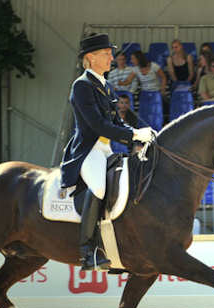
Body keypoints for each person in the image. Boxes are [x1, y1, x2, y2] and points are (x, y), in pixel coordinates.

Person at [60, 33, 153, 271]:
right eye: (107, 53)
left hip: (106, 149)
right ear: (91, 58)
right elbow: (97, 125)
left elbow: (117, 124)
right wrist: (132, 135)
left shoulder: (106, 85)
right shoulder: (81, 86)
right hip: (88, 149)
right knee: (99, 186)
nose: (112, 57)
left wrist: (138, 135)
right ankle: (87, 251)